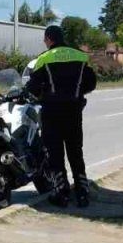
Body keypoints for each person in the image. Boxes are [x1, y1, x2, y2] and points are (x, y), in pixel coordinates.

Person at [26, 24, 98, 208]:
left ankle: (62, 192)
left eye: (45, 39)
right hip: (74, 111)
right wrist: (77, 93)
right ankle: (82, 192)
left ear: (49, 39)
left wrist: (42, 95)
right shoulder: (80, 56)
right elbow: (91, 82)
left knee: (55, 154)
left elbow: (32, 87)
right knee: (75, 152)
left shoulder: (44, 58)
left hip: (51, 113)